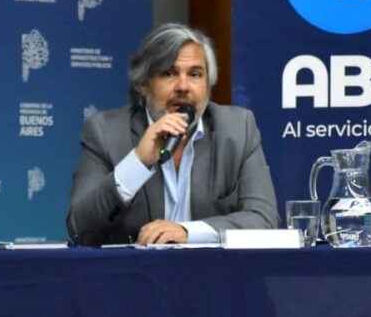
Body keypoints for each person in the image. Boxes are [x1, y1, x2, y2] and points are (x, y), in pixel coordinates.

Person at [67, 23, 280, 245]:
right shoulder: (105, 132)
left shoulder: (238, 129)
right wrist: (138, 162)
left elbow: (264, 219)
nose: (183, 86)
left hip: (213, 267)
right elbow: (78, 228)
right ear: (143, 83)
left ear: (208, 84)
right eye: (169, 73)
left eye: (195, 74)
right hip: (136, 267)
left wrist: (187, 232)